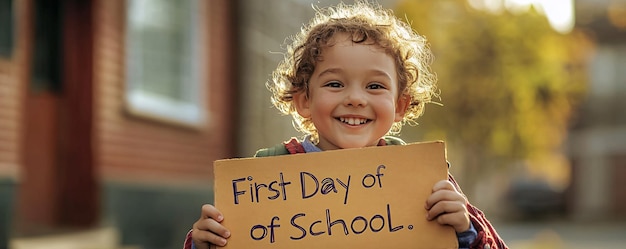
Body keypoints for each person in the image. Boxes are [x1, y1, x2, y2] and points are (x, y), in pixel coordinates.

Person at [184, 1, 507, 249]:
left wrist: (464, 232)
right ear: (304, 100)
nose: (355, 99)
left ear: (400, 105)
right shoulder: (266, 175)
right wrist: (205, 243)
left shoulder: (425, 179)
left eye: (375, 86)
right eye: (335, 84)